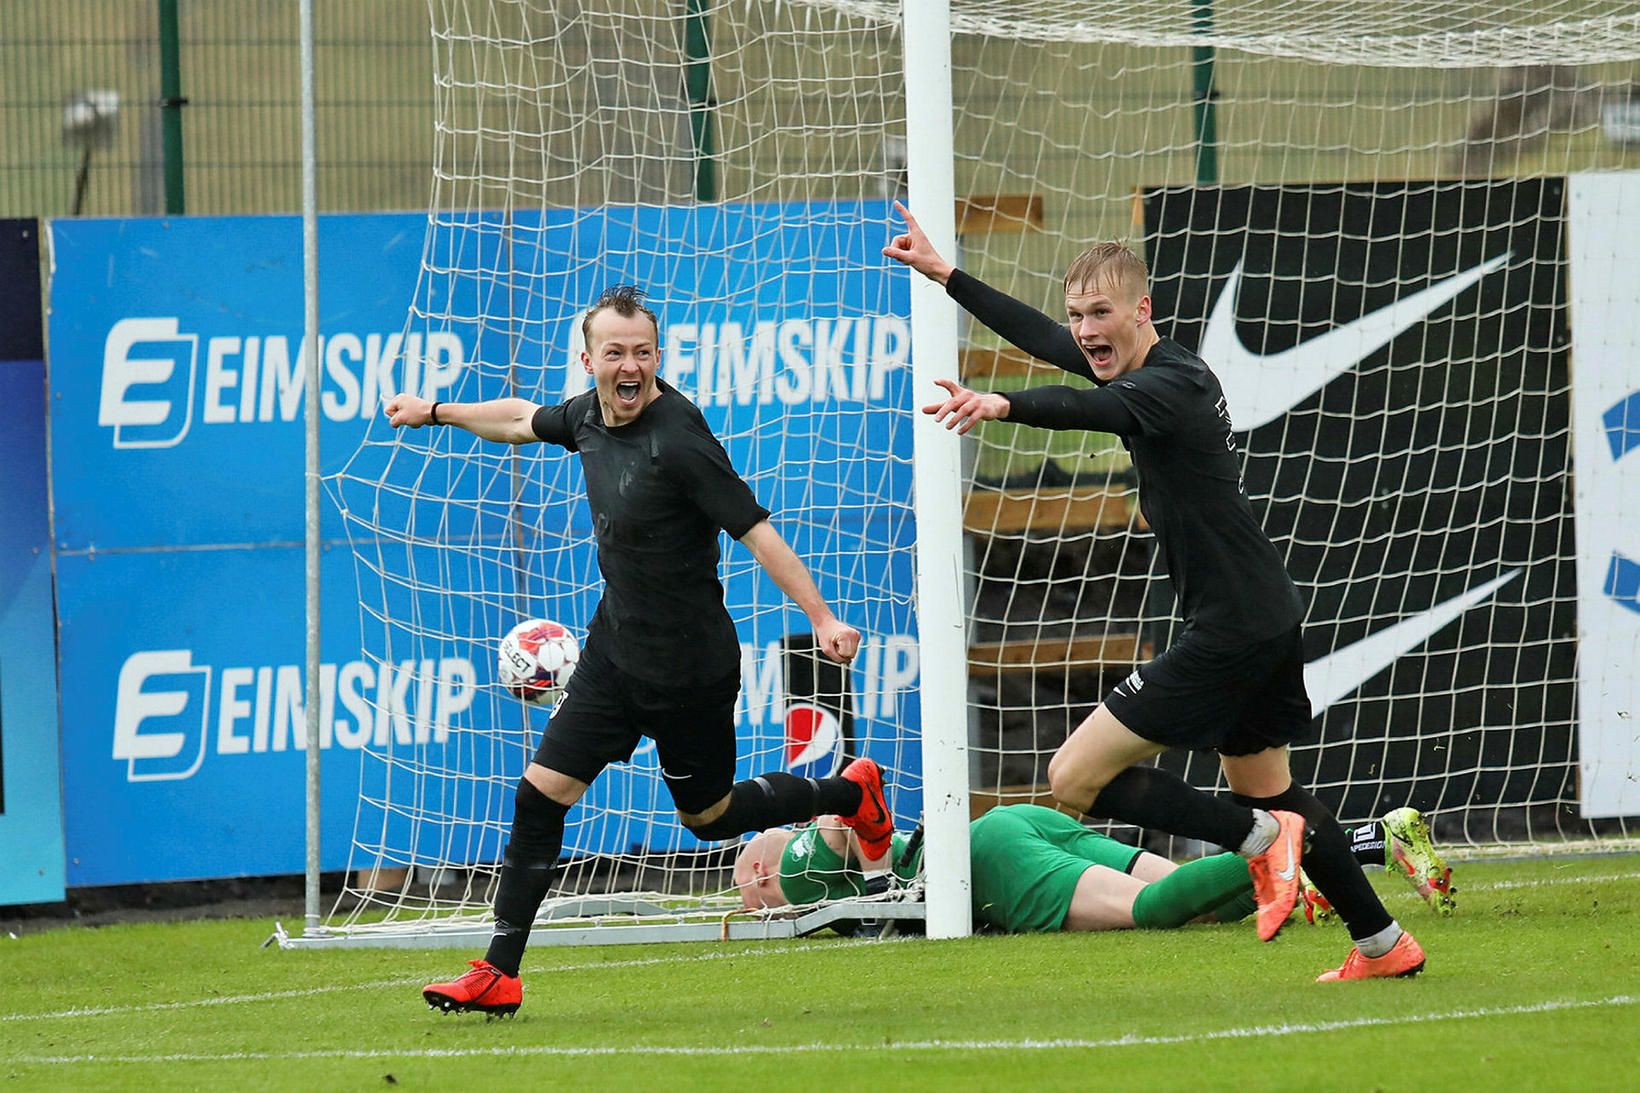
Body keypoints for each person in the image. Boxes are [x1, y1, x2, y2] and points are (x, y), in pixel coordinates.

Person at [883, 203, 1425, 981]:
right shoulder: (1140, 368)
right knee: (1277, 793)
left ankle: (1259, 842)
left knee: (1075, 776)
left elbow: (1087, 408)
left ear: (1143, 310)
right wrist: (949, 276)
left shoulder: (1170, 383)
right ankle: (1381, 941)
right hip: (1260, 615)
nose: (1085, 329)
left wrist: (1005, 403)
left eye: (1100, 312)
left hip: (1233, 628)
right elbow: (1047, 343)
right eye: (1078, 315)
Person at [387, 285, 890, 1016]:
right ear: (589, 359)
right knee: (539, 796)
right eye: (615, 352)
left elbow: (757, 532)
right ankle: (499, 972)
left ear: (659, 357)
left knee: (710, 817)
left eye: (643, 352)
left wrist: (822, 616)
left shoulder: (681, 441)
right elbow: (519, 420)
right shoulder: (587, 414)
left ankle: (852, 792)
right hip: (614, 656)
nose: (630, 366)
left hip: (691, 672)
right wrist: (436, 411)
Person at [737, 803, 1454, 936]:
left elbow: (844, 813)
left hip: (988, 865)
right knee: (1193, 900)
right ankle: (1365, 840)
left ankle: (1285, 838)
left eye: (749, 886)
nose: (751, 899)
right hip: (1011, 823)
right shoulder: (801, 863)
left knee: (1154, 911)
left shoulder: (791, 871)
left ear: (765, 877)